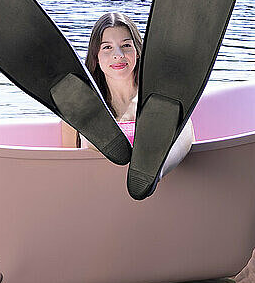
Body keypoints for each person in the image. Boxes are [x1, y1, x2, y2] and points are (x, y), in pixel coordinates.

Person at [62, 12, 195, 181]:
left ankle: (152, 174)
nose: (118, 55)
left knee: (182, 120)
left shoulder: (159, 102)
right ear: (96, 56)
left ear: (137, 52)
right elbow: (66, 167)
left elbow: (191, 151)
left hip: (158, 190)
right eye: (107, 47)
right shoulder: (77, 107)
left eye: (126, 45)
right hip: (100, 190)